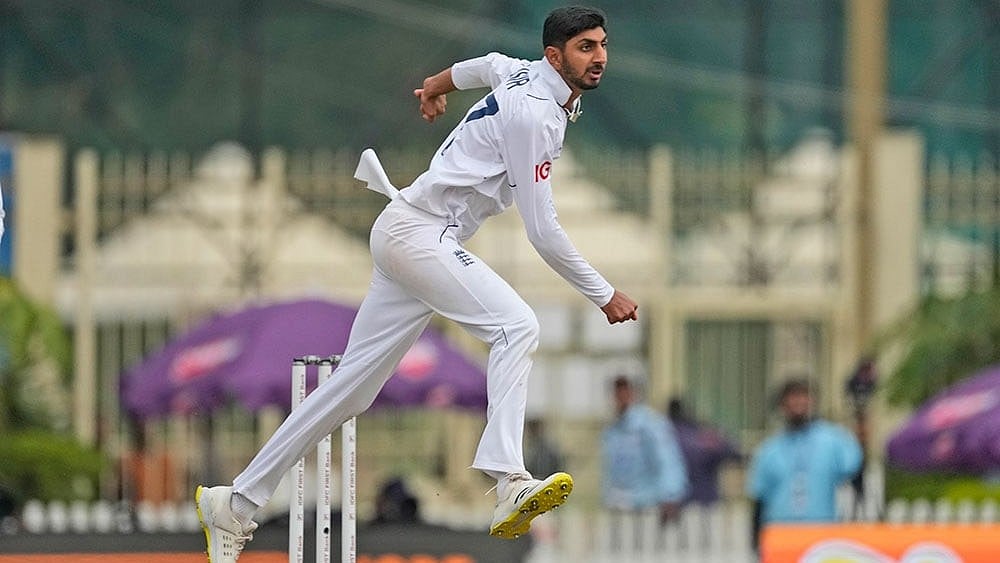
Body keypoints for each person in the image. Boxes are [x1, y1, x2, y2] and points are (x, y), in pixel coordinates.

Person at [195, 6, 639, 562]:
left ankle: (233, 503)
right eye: (584, 47)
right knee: (517, 326)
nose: (598, 56)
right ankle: (508, 481)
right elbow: (542, 230)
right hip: (420, 236)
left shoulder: (523, 72)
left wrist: (433, 87)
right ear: (555, 56)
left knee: (348, 391)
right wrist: (604, 294)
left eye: (601, 45)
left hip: (408, 231)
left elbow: (483, 65)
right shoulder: (535, 115)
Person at [746, 378, 862, 553]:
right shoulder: (769, 450)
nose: (798, 403)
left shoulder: (833, 440)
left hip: (821, 536)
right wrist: (756, 541)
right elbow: (759, 499)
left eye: (803, 397)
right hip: (781, 537)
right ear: (782, 404)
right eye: (792, 398)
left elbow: (856, 473)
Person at [601, 376, 688, 528]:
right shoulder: (613, 430)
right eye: (618, 391)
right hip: (620, 507)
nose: (621, 397)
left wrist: (670, 495)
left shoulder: (649, 424)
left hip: (649, 508)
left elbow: (667, 461)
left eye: (625, 391)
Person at [667, 397, 740, 507]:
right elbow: (732, 452)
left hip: (672, 504)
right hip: (704, 502)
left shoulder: (664, 436)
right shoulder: (702, 436)